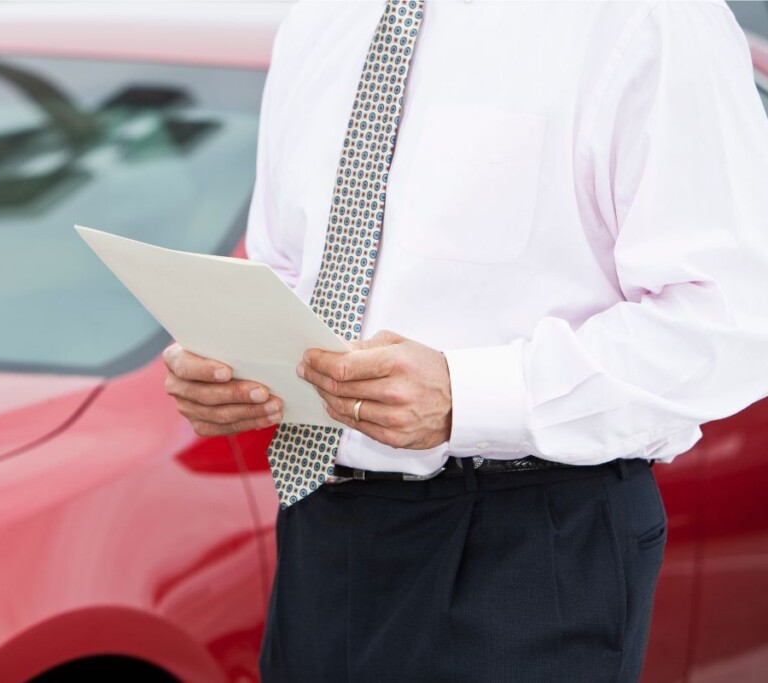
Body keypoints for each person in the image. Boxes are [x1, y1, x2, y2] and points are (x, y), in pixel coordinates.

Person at [162, 0, 768, 680]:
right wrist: (230, 357)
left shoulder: (647, 17)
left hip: (531, 543)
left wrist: (466, 395)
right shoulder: (320, 19)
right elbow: (287, 263)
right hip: (323, 531)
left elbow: (733, 315)